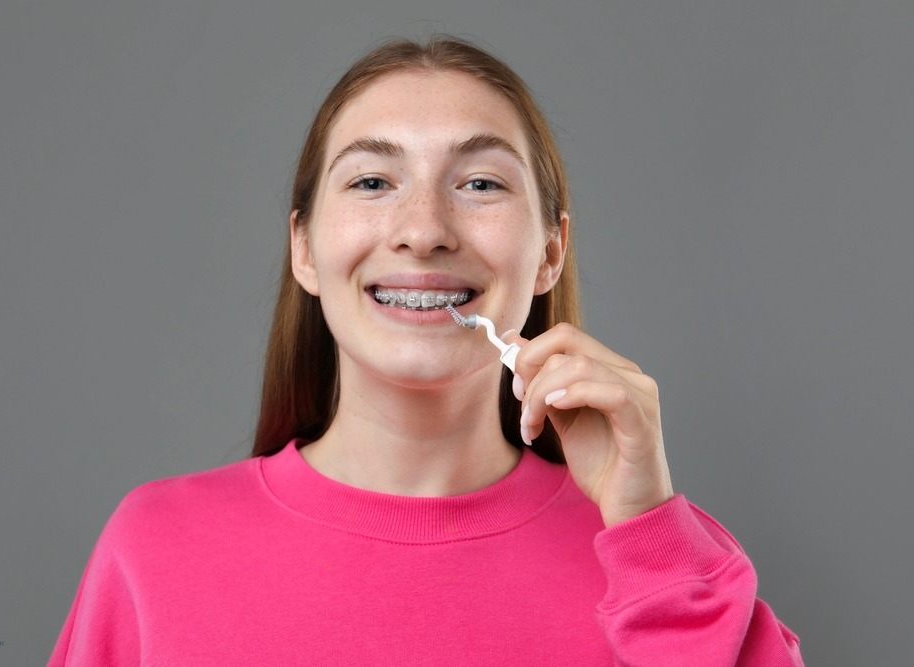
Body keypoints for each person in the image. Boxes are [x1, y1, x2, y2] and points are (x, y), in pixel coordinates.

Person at [49, 36, 804, 665]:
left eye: (479, 182)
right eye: (374, 180)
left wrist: (649, 534)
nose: (424, 228)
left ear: (549, 254)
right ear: (304, 249)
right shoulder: (155, 551)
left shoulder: (669, 563)